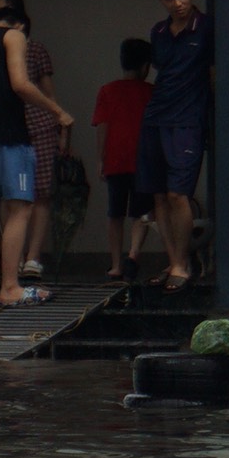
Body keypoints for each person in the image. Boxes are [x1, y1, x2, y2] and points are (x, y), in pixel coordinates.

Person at [0, 0, 72, 308]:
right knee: (20, 209)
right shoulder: (14, 36)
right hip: (9, 138)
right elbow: (20, 83)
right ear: (19, 24)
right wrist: (56, 111)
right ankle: (10, 287)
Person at [136, 0, 214, 294]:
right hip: (156, 117)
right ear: (161, 0)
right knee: (158, 195)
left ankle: (184, 263)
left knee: (177, 193)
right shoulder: (158, 32)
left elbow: (213, 75)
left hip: (188, 119)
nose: (177, 2)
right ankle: (173, 261)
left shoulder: (207, 26)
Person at [92, 37, 155, 283]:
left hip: (116, 160)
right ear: (145, 66)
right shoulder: (151, 91)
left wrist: (101, 158)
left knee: (114, 213)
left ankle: (116, 265)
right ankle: (133, 254)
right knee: (141, 213)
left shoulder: (107, 91)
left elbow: (102, 126)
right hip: (143, 160)